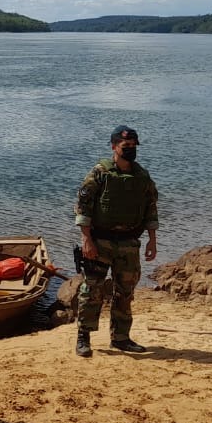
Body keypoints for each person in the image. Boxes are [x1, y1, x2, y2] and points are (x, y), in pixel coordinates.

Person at [73, 126, 159, 357]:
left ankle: (120, 338)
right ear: (114, 147)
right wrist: (86, 239)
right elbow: (83, 208)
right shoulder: (100, 173)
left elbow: (151, 209)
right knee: (92, 289)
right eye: (125, 146)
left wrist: (152, 241)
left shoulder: (141, 176)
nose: (130, 150)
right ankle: (84, 337)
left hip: (129, 244)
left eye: (133, 146)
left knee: (125, 292)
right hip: (100, 242)